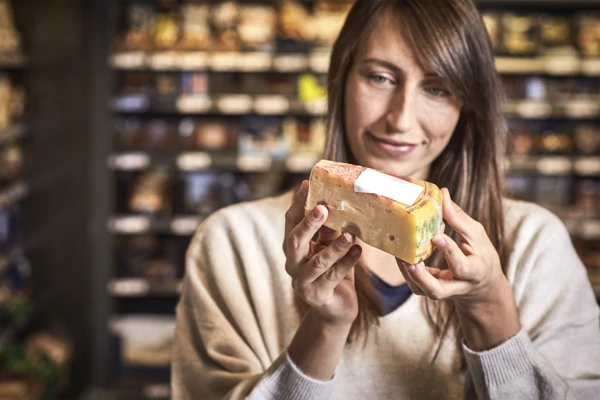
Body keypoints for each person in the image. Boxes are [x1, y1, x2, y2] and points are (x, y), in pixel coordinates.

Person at [171, 0, 600, 398]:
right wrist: (324, 328)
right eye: (380, 77)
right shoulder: (233, 242)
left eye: (437, 88)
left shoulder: (533, 244)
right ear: (340, 77)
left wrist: (491, 312)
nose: (400, 119)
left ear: (467, 105)